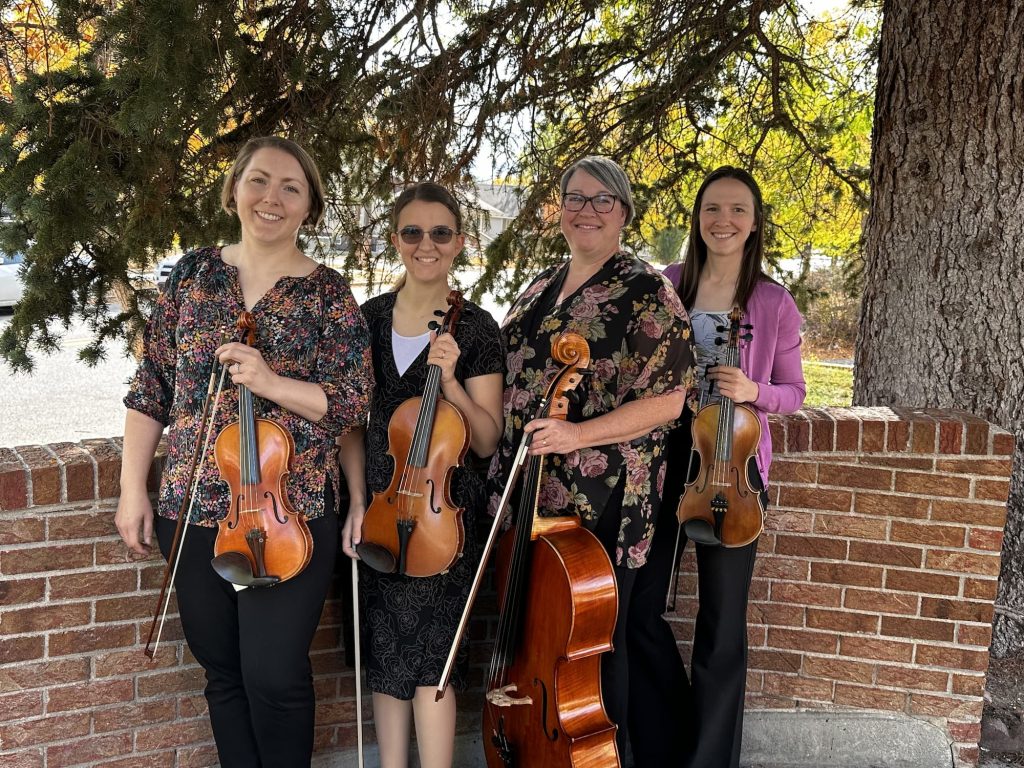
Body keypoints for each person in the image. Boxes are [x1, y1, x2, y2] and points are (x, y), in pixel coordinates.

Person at [115, 136, 373, 768]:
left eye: (291, 187)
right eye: (259, 181)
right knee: (223, 673)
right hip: (195, 506)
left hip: (292, 511)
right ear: (233, 190)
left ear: (309, 206)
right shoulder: (193, 276)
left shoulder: (328, 293)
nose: (272, 198)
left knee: (275, 676)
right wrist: (131, 489)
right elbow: (151, 389)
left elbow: (351, 402)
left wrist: (270, 382)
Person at [484, 155, 695, 761]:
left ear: (624, 212)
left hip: (603, 496)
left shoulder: (647, 290)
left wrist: (579, 436)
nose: (587, 211)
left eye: (603, 200)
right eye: (575, 198)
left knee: (595, 650)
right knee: (536, 640)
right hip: (529, 488)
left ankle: (609, 756)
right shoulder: (538, 286)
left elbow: (669, 403)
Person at [628, 165, 806, 768]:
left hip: (731, 464)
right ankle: (668, 736)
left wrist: (753, 389)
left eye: (736, 210)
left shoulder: (773, 300)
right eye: (711, 209)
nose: (722, 221)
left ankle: (707, 760)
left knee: (723, 620)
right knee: (638, 605)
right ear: (697, 218)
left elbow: (793, 392)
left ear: (754, 223)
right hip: (660, 459)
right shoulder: (668, 284)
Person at [339, 182, 504, 768]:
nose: (426, 244)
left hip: (443, 521)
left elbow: (486, 440)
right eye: (412, 232)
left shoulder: (478, 329)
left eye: (440, 232)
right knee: (386, 659)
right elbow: (350, 424)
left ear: (459, 242)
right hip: (381, 511)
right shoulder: (365, 320)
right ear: (395, 240)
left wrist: (454, 380)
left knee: (432, 662)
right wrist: (357, 500)